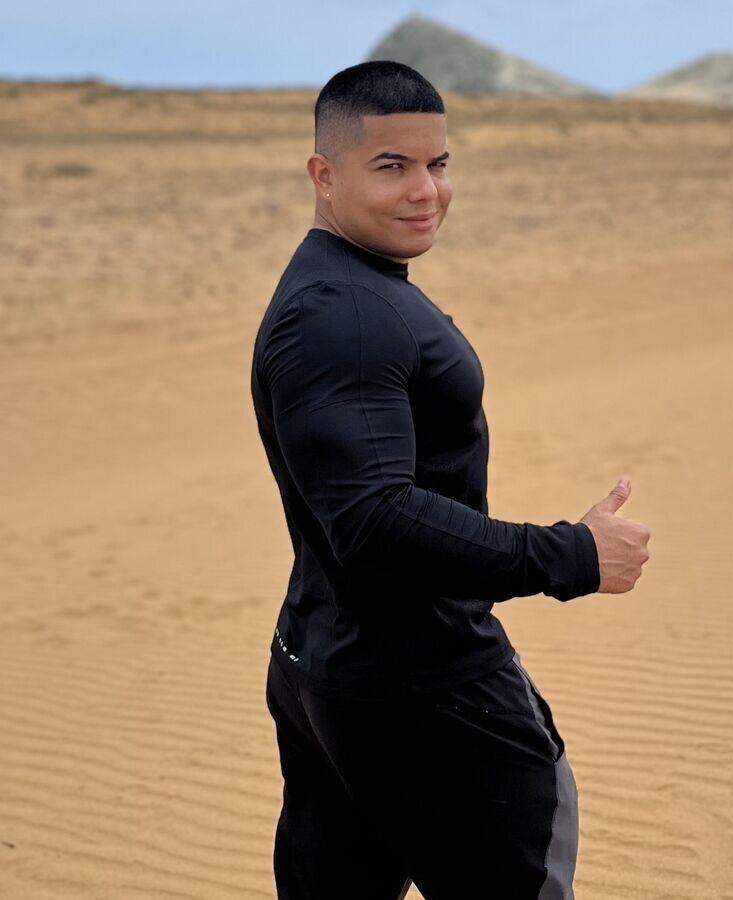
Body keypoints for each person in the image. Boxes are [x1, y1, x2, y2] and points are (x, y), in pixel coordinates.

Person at [249, 60, 651, 900]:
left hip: (331, 665)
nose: (425, 190)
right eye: (391, 166)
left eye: (438, 163)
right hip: (423, 693)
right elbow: (373, 519)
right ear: (324, 175)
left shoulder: (347, 289)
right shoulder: (343, 316)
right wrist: (571, 554)